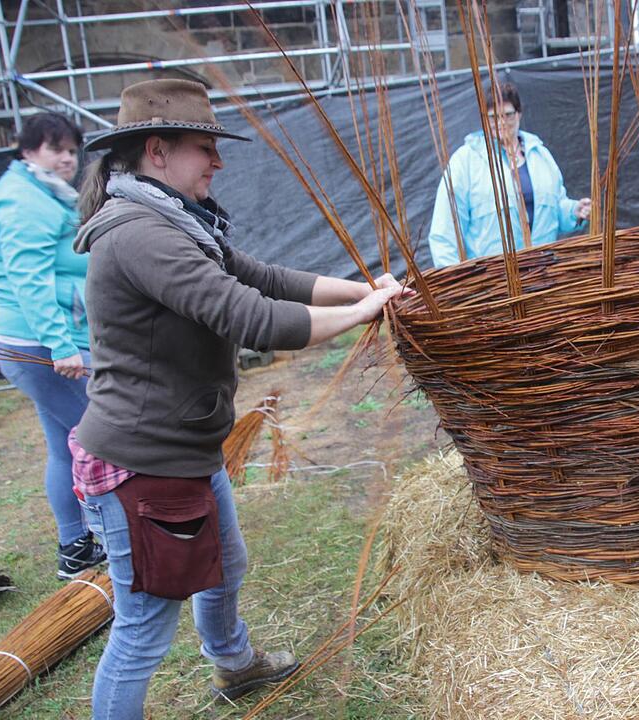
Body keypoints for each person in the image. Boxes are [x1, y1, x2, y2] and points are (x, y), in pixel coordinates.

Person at [71, 79, 409, 718]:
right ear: (158, 151)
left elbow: (264, 277)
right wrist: (368, 310)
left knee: (227, 562)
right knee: (144, 626)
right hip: (142, 464)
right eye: (205, 148)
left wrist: (365, 286)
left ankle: (233, 664)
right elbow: (249, 315)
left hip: (185, 448)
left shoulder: (176, 218)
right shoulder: (140, 233)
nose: (218, 163)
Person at [0, 112, 105, 580]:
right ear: (28, 150)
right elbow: (28, 281)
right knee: (98, 436)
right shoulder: (21, 201)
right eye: (56, 149)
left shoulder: (43, 193)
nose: (68, 159)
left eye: (73, 150)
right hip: (39, 343)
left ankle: (75, 549)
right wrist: (59, 345)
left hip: (47, 339)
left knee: (64, 444)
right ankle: (108, 536)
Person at [427, 82, 591, 268]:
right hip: (493, 279)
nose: (501, 122)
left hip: (542, 271)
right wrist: (454, 281)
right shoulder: (466, 161)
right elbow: (445, 230)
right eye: (493, 117)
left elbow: (553, 209)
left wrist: (573, 211)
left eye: (508, 115)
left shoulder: (540, 154)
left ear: (519, 113)